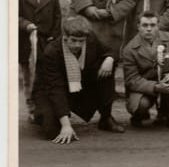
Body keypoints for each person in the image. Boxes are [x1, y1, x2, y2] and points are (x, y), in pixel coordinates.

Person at [32, 16, 124, 144]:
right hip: (50, 90)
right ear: (65, 37)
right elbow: (55, 88)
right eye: (73, 40)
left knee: (107, 67)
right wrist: (66, 125)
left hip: (77, 84)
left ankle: (106, 118)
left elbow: (110, 50)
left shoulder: (90, 38)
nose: (77, 45)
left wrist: (109, 59)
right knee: (52, 131)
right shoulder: (51, 52)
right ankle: (40, 114)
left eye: (81, 41)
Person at [122, 11, 169, 128]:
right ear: (138, 27)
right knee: (141, 105)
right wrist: (155, 87)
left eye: (153, 25)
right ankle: (139, 115)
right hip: (144, 88)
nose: (149, 29)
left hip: (166, 79)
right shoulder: (130, 49)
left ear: (158, 26)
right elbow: (132, 80)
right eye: (145, 25)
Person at [19, 0, 62, 120]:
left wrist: (54, 35)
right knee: (30, 75)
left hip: (47, 40)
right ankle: (32, 108)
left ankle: (50, 105)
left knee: (49, 73)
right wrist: (26, 25)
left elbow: (58, 16)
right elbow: (12, 16)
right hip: (27, 42)